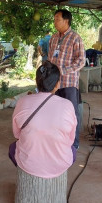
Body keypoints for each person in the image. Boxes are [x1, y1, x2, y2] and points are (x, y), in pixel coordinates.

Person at [9, 61, 77, 178]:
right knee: (73, 150)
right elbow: (70, 139)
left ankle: (30, 174)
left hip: (28, 164)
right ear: (57, 84)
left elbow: (17, 134)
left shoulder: (22, 101)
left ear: (37, 82)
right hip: (60, 164)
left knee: (12, 148)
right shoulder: (68, 105)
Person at [48, 9, 85, 149]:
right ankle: (57, 141)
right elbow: (51, 58)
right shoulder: (53, 37)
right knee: (54, 112)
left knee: (71, 114)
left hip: (69, 83)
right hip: (53, 83)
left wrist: (62, 71)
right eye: (54, 19)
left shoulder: (75, 38)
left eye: (57, 19)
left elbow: (81, 61)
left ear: (66, 21)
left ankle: (73, 144)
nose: (55, 22)